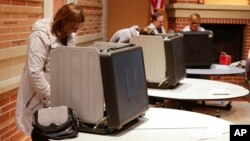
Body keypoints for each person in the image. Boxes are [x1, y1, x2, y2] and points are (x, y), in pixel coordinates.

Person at [15, 3, 85, 136]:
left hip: (58, 99)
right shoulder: (40, 35)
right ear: (63, 20)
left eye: (78, 28)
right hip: (39, 99)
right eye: (73, 27)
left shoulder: (70, 36)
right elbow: (34, 72)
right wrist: (53, 99)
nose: (75, 31)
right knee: (41, 133)